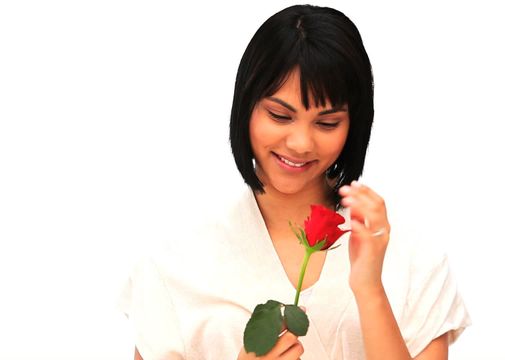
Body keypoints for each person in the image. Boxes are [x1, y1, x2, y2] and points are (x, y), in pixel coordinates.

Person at [117, 4, 471, 359]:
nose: (301, 143)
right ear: (246, 106)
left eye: (327, 123)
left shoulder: (411, 259)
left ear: (355, 125)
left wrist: (369, 289)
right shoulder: (175, 261)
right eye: (279, 115)